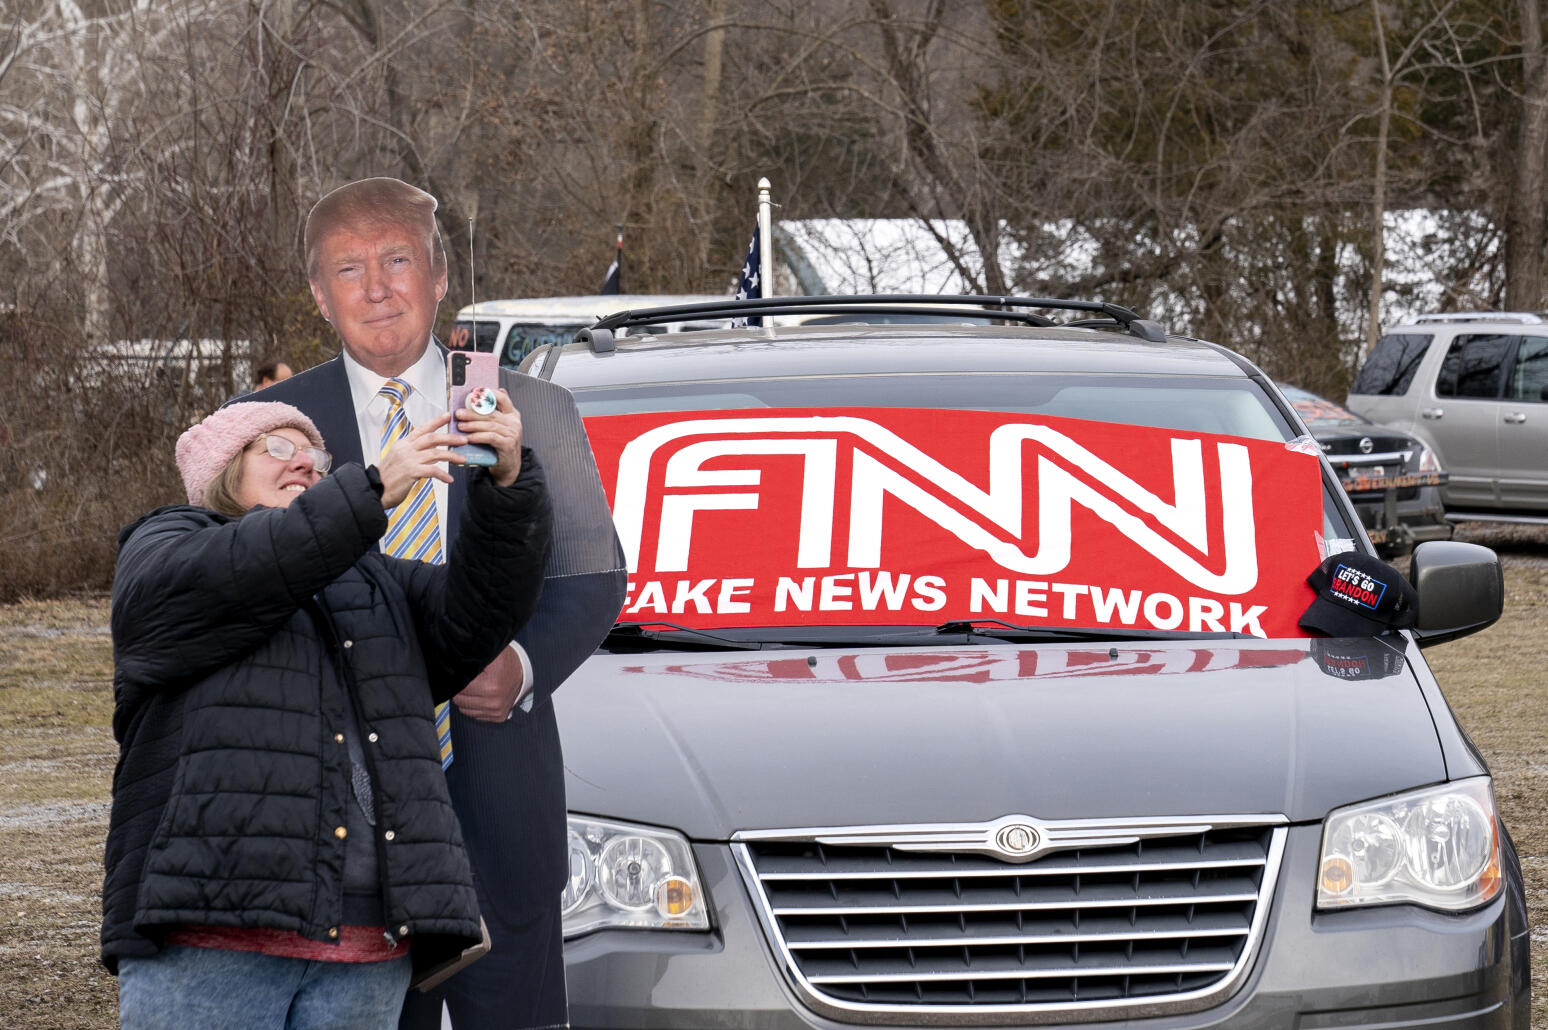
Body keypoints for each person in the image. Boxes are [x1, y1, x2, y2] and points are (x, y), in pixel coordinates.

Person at [245, 177, 626, 1030]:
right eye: (349, 269)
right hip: (337, 835)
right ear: (318, 292)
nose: (376, 288)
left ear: (440, 273)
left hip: (497, 799)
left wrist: (523, 666)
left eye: (397, 260)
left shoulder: (532, 408)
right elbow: (233, 588)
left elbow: (592, 577)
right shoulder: (264, 425)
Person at [102, 397, 554, 1029]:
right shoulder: (168, 545)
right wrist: (366, 492)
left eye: (317, 458)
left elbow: (480, 611)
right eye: (279, 449)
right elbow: (245, 568)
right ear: (223, 469)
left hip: (368, 949)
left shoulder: (374, 582)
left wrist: (507, 482)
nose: (306, 466)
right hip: (210, 939)